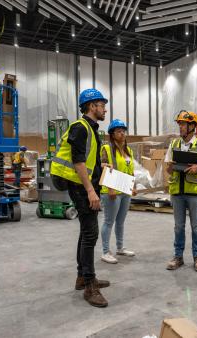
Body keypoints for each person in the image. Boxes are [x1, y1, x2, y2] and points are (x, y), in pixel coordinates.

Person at [50, 88, 110, 308]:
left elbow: (86, 159)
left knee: (87, 232)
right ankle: (89, 287)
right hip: (77, 185)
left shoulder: (91, 129)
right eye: (101, 104)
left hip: (81, 183)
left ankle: (83, 277)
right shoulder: (80, 127)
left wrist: (101, 166)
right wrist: (90, 191)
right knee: (90, 234)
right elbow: (77, 162)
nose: (104, 108)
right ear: (91, 106)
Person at [164, 110, 197, 272]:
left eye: (183, 124)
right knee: (178, 227)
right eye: (180, 124)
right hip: (177, 192)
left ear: (192, 126)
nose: (181, 127)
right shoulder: (173, 144)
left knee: (196, 226)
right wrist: (171, 165)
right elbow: (168, 171)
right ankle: (178, 257)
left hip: (194, 194)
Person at [100, 119, 137, 264]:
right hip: (111, 190)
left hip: (125, 190)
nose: (122, 134)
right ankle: (105, 252)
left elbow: (131, 170)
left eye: (123, 131)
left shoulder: (129, 151)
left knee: (120, 221)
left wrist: (133, 186)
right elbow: (101, 166)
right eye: (118, 131)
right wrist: (110, 188)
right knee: (109, 221)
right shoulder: (107, 149)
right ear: (112, 134)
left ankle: (120, 248)